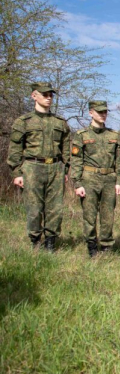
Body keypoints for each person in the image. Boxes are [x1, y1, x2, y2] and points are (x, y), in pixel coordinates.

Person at [7, 82, 70, 251]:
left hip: (55, 167)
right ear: (34, 96)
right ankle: (35, 241)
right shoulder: (23, 122)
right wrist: (17, 173)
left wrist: (65, 169)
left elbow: (66, 147)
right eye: (45, 95)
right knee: (34, 208)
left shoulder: (60, 122)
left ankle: (50, 243)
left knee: (55, 209)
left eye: (51, 95)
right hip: (32, 167)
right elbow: (15, 149)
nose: (49, 98)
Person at [70, 100, 120, 257]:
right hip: (89, 178)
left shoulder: (114, 135)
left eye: (105, 112)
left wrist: (119, 181)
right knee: (89, 214)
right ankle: (91, 245)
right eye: (99, 112)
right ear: (91, 113)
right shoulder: (82, 135)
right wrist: (77, 183)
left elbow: (118, 161)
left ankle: (106, 246)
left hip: (109, 178)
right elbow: (76, 160)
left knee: (108, 215)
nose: (103, 114)